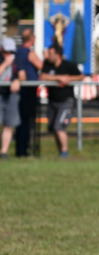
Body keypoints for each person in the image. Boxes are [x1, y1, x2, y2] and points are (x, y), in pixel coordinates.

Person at [39, 44, 82, 158]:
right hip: (52, 101)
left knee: (59, 126)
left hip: (66, 100)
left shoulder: (68, 65)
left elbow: (80, 76)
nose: (48, 55)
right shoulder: (47, 64)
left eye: (50, 53)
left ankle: (64, 152)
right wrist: (59, 78)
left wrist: (68, 79)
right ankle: (60, 153)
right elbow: (42, 76)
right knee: (53, 128)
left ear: (57, 55)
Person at [13, 29, 43, 157]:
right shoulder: (29, 53)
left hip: (19, 92)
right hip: (28, 92)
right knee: (27, 122)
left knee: (20, 122)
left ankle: (19, 149)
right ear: (32, 39)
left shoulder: (17, 52)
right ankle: (24, 150)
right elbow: (41, 66)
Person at [0, 37, 23, 159]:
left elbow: (22, 75)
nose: (9, 54)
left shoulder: (17, 60)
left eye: (11, 52)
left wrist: (18, 80)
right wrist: (5, 63)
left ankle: (4, 152)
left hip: (11, 96)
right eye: (6, 51)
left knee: (9, 124)